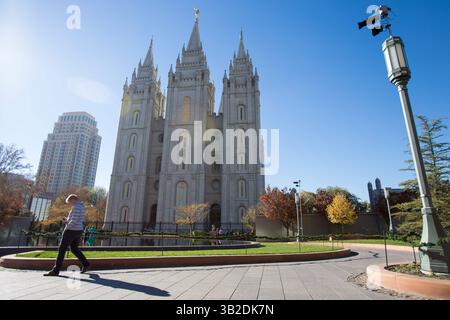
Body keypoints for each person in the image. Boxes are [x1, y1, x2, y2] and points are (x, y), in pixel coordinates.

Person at [44, 194, 90, 277]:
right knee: (74, 249)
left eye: (70, 202)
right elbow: (76, 219)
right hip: (78, 230)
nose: (70, 204)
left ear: (73, 200)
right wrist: (67, 219)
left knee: (62, 249)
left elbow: (74, 221)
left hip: (71, 230)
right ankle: (86, 264)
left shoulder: (76, 207)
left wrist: (67, 226)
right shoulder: (81, 207)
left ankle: (56, 270)